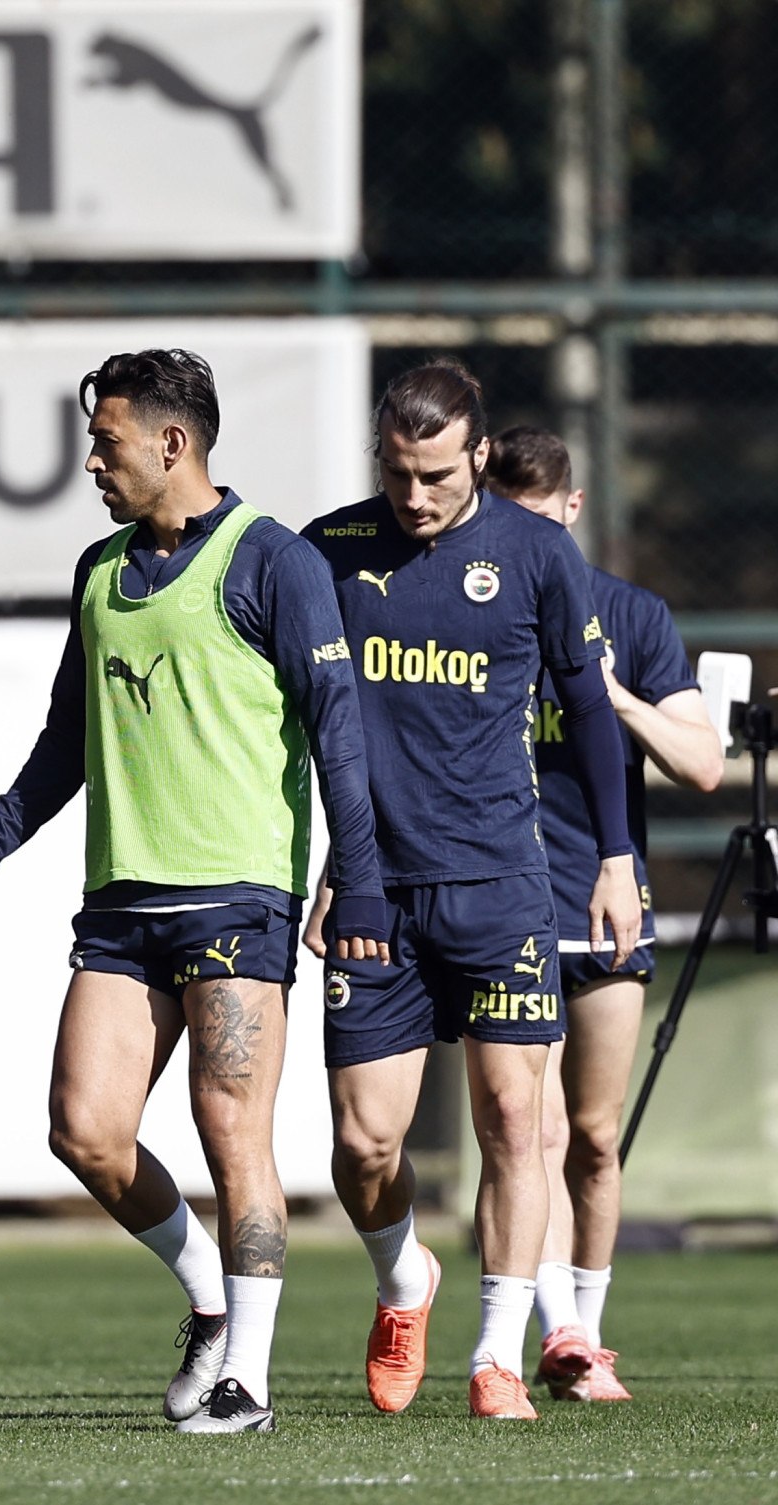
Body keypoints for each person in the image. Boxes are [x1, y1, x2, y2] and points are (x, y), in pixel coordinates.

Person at [0, 348, 389, 1434]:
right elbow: (64, 744)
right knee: (84, 1130)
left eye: (107, 442)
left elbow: (341, 734)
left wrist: (359, 884)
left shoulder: (274, 560)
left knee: (233, 1131)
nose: (92, 461)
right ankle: (211, 1298)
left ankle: (248, 1382)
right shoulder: (98, 571)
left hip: (238, 899)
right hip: (122, 908)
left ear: (172, 443)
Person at [301, 359, 641, 1421]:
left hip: (501, 883)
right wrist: (326, 868)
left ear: (480, 455)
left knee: (513, 1118)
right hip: (375, 891)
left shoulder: (537, 553)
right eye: (397, 472)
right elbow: (288, 722)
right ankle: (405, 1277)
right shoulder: (329, 550)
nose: (414, 496)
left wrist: (617, 858)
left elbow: (590, 708)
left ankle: (497, 1354)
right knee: (365, 1144)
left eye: (438, 474)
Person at [485, 426, 723, 1402]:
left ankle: (588, 1320)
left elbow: (702, 763)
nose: (527, 545)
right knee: (529, 1128)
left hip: (608, 900)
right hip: (508, 904)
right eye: (509, 523)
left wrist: (608, 692)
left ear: (573, 511)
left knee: (592, 1134)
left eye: (543, 524)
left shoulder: (631, 614)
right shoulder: (473, 612)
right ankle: (563, 1335)